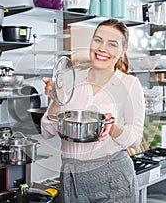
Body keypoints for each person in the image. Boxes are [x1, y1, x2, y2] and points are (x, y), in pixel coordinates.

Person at [40, 18, 145, 202]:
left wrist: (112, 127)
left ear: (123, 50)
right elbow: (47, 131)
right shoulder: (69, 78)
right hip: (71, 176)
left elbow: (135, 139)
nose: (102, 49)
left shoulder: (129, 84)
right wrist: (56, 98)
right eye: (98, 40)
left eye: (112, 44)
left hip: (113, 177)